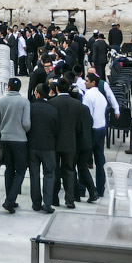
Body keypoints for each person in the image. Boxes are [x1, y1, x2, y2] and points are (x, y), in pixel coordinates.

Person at [0, 77, 30, 213]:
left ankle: (10, 198)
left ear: (8, 87)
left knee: (9, 169)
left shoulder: (1, 101)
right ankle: (10, 200)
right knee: (21, 170)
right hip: (20, 139)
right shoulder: (24, 102)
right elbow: (26, 124)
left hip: (5, 138)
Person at [48, 76, 81, 208]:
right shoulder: (77, 104)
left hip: (55, 142)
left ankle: (54, 199)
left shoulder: (51, 103)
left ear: (56, 88)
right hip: (70, 141)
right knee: (69, 170)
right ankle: (70, 200)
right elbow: (78, 126)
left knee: (54, 170)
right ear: (69, 88)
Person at [27, 84, 59, 214]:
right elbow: (57, 129)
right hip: (49, 147)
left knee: (34, 175)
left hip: (33, 146)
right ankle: (47, 203)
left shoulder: (30, 107)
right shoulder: (53, 109)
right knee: (49, 174)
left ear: (38, 94)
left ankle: (36, 202)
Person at [83, 73, 110, 195]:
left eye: (87, 81)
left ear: (93, 82)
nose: (85, 83)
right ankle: (100, 189)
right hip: (101, 128)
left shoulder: (88, 95)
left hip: (92, 130)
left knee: (82, 160)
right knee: (100, 160)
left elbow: (86, 115)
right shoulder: (101, 96)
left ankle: (83, 188)